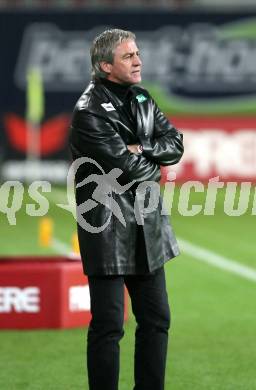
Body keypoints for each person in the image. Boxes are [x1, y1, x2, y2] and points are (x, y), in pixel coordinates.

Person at [69, 28, 184, 390]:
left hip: (147, 221)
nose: (138, 60)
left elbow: (176, 143)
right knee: (108, 324)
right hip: (106, 225)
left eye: (137, 53)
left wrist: (141, 148)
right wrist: (148, 160)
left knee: (156, 318)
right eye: (128, 56)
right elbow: (128, 170)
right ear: (105, 66)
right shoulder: (89, 112)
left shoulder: (142, 99)